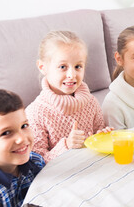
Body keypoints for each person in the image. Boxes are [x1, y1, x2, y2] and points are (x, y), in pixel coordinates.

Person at [26, 30, 112, 163]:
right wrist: (66, 145)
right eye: (62, 67)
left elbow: (97, 135)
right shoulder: (35, 113)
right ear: (43, 67)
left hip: (93, 168)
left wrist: (103, 136)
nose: (72, 74)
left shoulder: (91, 102)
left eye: (78, 66)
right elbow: (37, 163)